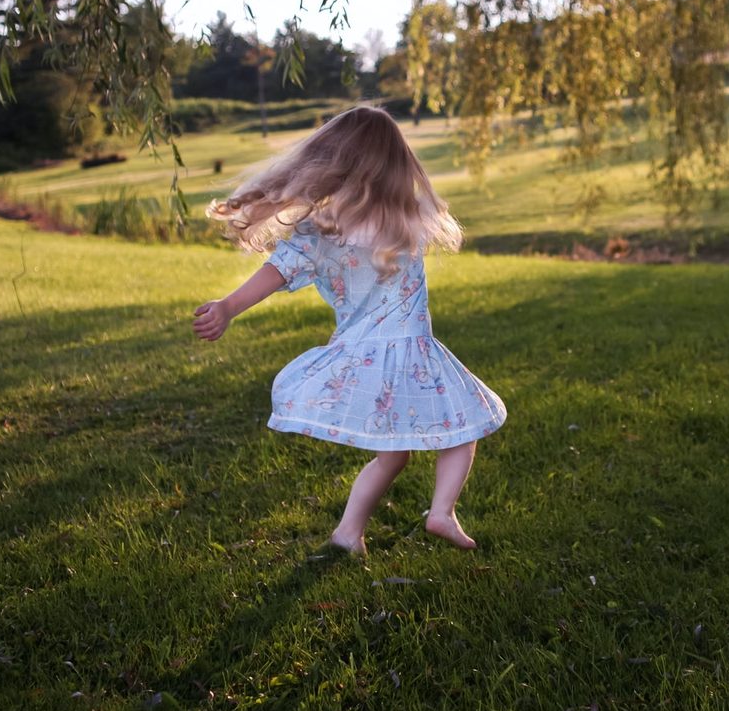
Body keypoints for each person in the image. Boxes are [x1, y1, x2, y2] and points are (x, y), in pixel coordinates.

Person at [192, 106, 506, 557]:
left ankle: (348, 534)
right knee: (464, 424)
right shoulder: (410, 219)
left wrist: (228, 307)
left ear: (331, 164)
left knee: (393, 455)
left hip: (361, 356)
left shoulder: (323, 231)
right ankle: (441, 511)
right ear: (398, 164)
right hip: (415, 354)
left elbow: (277, 272)